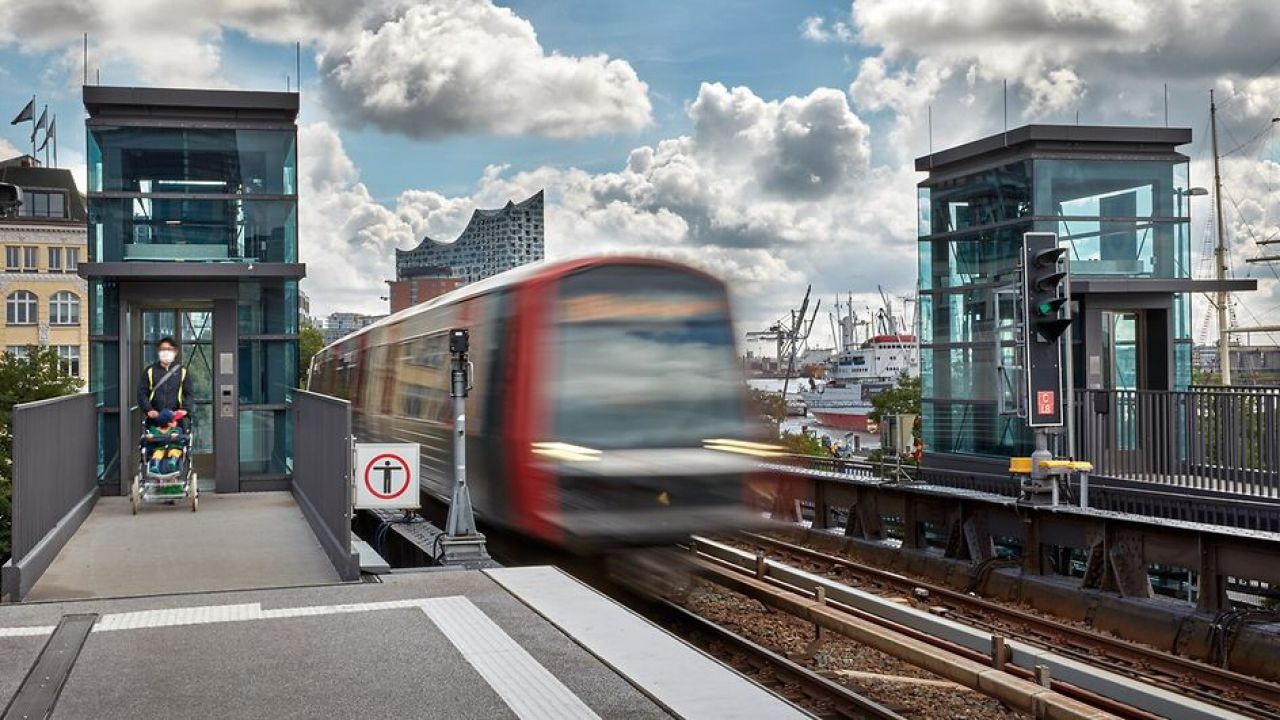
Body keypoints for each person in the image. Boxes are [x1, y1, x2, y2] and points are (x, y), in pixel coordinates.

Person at [138, 337, 193, 425]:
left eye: (169, 349)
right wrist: (149, 409)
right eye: (163, 349)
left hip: (175, 420)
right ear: (158, 351)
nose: (166, 352)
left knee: (177, 438)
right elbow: (142, 393)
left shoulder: (182, 371)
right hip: (154, 419)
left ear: (175, 352)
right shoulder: (150, 371)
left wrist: (184, 410)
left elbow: (189, 394)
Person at [146, 409, 186, 475]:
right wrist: (150, 436)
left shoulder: (176, 429)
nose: (176, 422)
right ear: (169, 423)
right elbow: (149, 437)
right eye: (174, 420)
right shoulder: (154, 430)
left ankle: (173, 462)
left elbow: (180, 437)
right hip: (160, 448)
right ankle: (155, 466)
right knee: (157, 453)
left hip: (173, 447)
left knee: (175, 451)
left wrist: (176, 436)